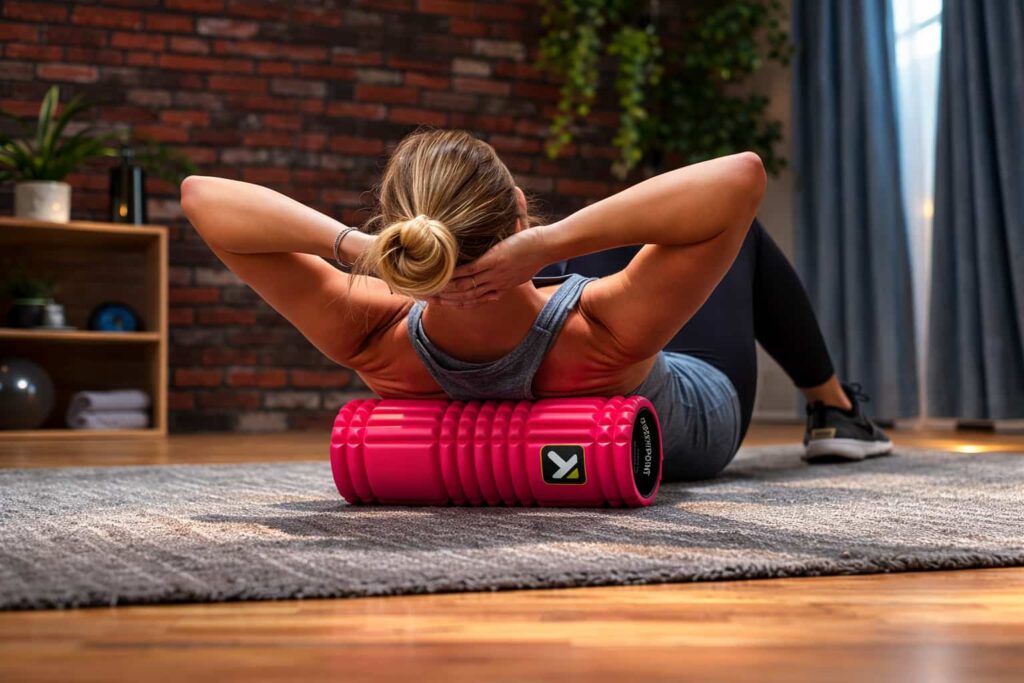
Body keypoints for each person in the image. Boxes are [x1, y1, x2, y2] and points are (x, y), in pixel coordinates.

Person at [180, 128, 891, 481]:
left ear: (401, 236)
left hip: (549, 322)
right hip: (701, 405)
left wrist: (352, 248)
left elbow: (202, 197)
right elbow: (741, 179)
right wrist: (547, 244)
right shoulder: (601, 325)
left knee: (631, 240)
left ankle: (834, 406)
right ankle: (833, 406)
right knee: (740, 237)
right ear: (518, 214)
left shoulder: (370, 332)